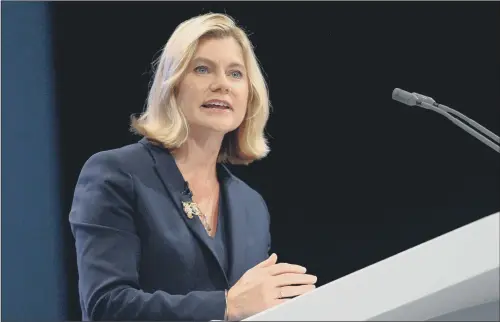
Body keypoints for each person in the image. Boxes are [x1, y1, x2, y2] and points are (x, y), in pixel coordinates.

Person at [69, 12, 317, 321]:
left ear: (249, 95)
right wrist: (225, 306)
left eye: (236, 74)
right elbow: (105, 306)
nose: (222, 85)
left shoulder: (250, 205)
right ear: (172, 86)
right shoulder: (116, 173)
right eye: (203, 69)